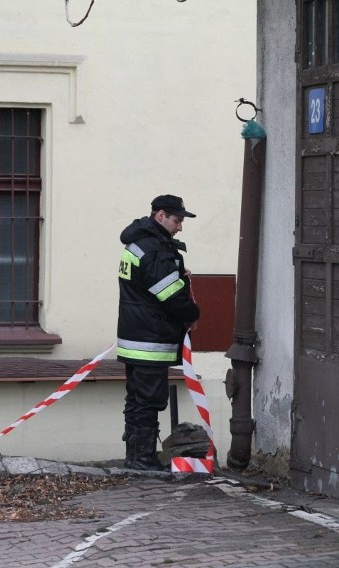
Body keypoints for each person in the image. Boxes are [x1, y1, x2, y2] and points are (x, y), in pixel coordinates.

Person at [116, 194, 201, 470]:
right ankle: (142, 460)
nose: (180, 227)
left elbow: (147, 284)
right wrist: (192, 315)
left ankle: (136, 457)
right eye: (177, 220)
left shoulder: (140, 242)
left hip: (135, 335)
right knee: (148, 402)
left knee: (138, 400)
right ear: (160, 215)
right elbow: (170, 295)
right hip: (150, 338)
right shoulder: (153, 248)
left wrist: (174, 271)